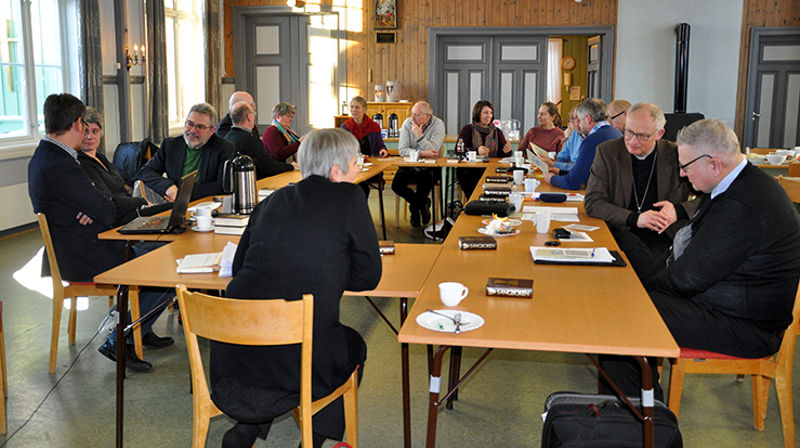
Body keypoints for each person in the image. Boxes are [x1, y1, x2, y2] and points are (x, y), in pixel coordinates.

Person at [599, 119, 800, 401]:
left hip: (746, 327)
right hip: (725, 304)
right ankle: (633, 407)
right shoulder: (739, 185)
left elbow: (687, 278)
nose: (681, 174)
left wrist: (637, 291)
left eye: (685, 167)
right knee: (628, 265)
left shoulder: (741, 204)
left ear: (714, 164)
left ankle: (645, 420)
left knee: (625, 314)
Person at [210, 128, 382, 448]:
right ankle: (312, 440)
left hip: (234, 357)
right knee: (352, 345)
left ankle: (246, 429)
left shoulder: (272, 200)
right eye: (355, 162)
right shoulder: (350, 197)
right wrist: (328, 270)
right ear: (336, 170)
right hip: (296, 358)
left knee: (278, 342)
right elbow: (368, 278)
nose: (358, 167)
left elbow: (238, 267)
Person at [28, 94, 166, 373]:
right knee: (163, 268)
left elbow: (100, 205)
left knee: (158, 254)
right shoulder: (62, 164)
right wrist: (93, 206)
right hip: (83, 255)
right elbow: (104, 209)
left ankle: (137, 327)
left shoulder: (46, 156)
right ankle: (121, 336)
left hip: (80, 245)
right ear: (78, 124)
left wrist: (92, 206)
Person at [585, 103, 697, 278]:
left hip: (666, 234)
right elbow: (593, 202)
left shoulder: (676, 155)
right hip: (623, 231)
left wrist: (678, 210)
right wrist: (635, 218)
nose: (632, 141)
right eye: (628, 132)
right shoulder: (608, 152)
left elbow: (712, 195)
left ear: (659, 134)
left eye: (642, 136)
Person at [138, 102, 234, 201]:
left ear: (212, 131)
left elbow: (224, 186)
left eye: (200, 127)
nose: (192, 130)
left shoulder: (224, 148)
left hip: (207, 205)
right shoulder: (170, 145)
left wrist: (183, 192)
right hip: (175, 205)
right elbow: (146, 172)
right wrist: (168, 187)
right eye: (190, 123)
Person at [78, 108, 148, 227]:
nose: (90, 137)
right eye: (85, 132)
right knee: (168, 209)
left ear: (101, 133)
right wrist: (141, 201)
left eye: (95, 131)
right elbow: (111, 200)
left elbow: (121, 189)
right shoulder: (83, 163)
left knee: (171, 210)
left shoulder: (101, 158)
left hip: (130, 211)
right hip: (118, 221)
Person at [543, 98, 621, 190]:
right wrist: (560, 172)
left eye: (579, 120)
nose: (578, 125)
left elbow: (573, 182)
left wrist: (551, 179)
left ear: (588, 119)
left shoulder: (591, 141)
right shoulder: (615, 132)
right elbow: (584, 174)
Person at [391, 101, 445, 227]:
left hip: (431, 167)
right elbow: (402, 150)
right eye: (412, 114)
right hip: (410, 165)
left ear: (427, 116)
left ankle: (414, 211)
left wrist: (419, 136)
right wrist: (422, 154)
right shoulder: (407, 123)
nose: (413, 118)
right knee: (396, 185)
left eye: (417, 115)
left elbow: (434, 151)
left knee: (425, 180)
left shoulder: (438, 125)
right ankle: (422, 204)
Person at [456, 100, 512, 199]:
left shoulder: (497, 132)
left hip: (492, 169)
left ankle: (487, 205)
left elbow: (503, 155)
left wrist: (506, 151)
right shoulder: (467, 130)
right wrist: (477, 151)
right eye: (485, 113)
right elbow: (458, 150)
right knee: (471, 181)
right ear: (477, 114)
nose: (489, 116)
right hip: (471, 170)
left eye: (491, 113)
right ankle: (474, 203)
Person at [225, 101, 295, 179]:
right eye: (253, 114)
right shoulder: (249, 139)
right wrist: (291, 166)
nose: (254, 118)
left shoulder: (228, 137)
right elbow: (267, 166)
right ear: (249, 117)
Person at [341, 96, 388, 198]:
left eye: (357, 107)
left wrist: (383, 150)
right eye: (352, 107)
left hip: (371, 168)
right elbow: (341, 149)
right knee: (359, 185)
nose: (354, 110)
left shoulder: (374, 126)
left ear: (364, 110)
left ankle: (358, 212)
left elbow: (380, 145)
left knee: (362, 186)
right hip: (352, 167)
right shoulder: (345, 127)